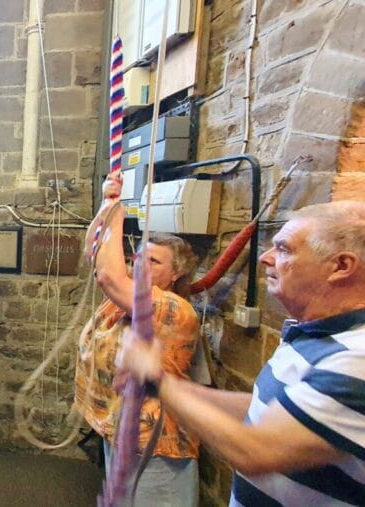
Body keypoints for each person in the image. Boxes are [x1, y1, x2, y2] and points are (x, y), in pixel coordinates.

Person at [118, 200, 365, 506]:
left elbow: (257, 451)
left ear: (341, 266)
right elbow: (263, 408)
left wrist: (159, 382)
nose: (265, 258)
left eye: (285, 249)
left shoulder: (356, 359)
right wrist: (170, 386)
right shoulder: (313, 336)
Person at [77, 176, 201, 506]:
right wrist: (108, 203)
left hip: (155, 444)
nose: (140, 265)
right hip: (121, 431)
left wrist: (118, 211)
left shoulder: (172, 307)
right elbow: (95, 255)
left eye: (154, 261)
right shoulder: (127, 299)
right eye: (139, 256)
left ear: (176, 274)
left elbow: (107, 275)